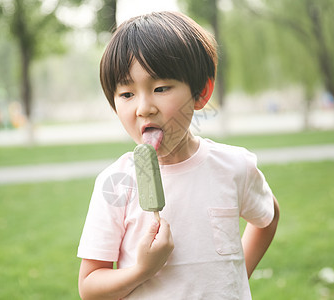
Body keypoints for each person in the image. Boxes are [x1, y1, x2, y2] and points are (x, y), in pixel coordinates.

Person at [77, 11, 280, 299]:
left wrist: (235, 281)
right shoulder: (116, 183)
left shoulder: (234, 166)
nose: (144, 107)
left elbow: (268, 217)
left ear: (200, 93)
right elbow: (90, 287)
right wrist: (142, 270)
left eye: (160, 88)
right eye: (126, 94)